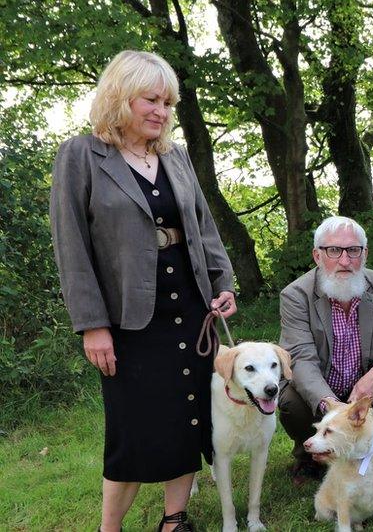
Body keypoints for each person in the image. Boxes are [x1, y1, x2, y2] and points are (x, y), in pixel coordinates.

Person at [49, 50, 237, 532]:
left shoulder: (175, 156)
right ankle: (109, 529)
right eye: (150, 99)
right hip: (129, 319)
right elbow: (71, 247)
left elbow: (203, 226)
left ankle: (175, 520)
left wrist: (222, 283)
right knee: (132, 431)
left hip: (192, 308)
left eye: (168, 102)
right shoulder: (81, 156)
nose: (162, 111)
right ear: (119, 97)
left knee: (191, 417)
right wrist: (92, 326)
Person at [278, 216, 373, 485]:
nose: (345, 261)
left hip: (362, 391)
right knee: (291, 403)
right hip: (320, 391)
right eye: (334, 251)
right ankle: (308, 457)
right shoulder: (295, 295)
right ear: (317, 255)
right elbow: (301, 360)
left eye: (353, 250)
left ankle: (363, 446)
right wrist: (331, 406)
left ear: (364, 254)